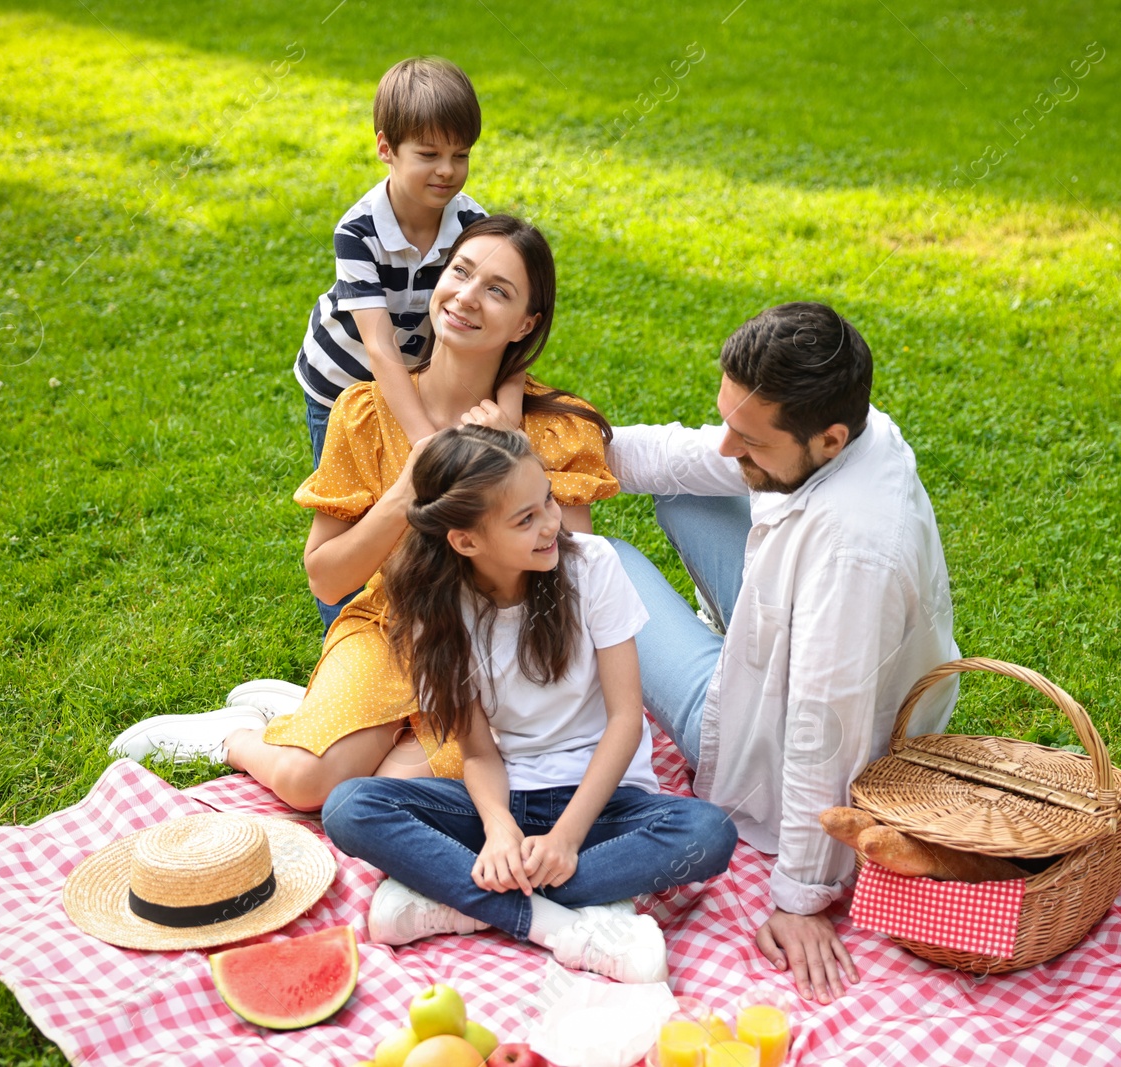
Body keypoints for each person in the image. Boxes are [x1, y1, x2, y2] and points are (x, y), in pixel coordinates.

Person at [110, 216, 620, 809]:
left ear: (526, 323)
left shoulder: (556, 430)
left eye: (499, 291)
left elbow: (570, 576)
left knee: (382, 795)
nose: (467, 297)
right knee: (308, 786)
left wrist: (515, 461)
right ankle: (238, 737)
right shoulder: (365, 413)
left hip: (497, 652)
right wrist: (408, 490)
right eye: (461, 272)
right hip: (389, 627)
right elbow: (327, 576)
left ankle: (308, 714)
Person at [605, 301, 960, 1004]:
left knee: (598, 562)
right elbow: (703, 452)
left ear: (827, 440)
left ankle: (701, 658)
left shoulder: (856, 557)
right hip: (793, 635)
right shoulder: (855, 426)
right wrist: (552, 445)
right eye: (729, 421)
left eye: (752, 440)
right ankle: (718, 629)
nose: (730, 448)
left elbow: (823, 732)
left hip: (765, 727)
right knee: (684, 489)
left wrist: (800, 897)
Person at [323, 425, 737, 984]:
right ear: (466, 541)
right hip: (510, 803)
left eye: (547, 499)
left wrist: (566, 839)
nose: (552, 523)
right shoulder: (434, 613)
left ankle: (462, 901)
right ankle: (548, 921)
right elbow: (477, 754)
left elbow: (624, 721)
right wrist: (497, 830)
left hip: (606, 808)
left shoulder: (591, 565)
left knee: (708, 834)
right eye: (526, 519)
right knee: (349, 807)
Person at [291, 56, 526, 631]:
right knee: (355, 507)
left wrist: (511, 417)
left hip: (414, 370)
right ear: (385, 149)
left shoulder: (473, 223)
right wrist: (428, 441)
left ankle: (423, 615)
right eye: (428, 154)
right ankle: (342, 632)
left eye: (461, 154)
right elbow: (378, 349)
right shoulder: (359, 231)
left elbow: (515, 333)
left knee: (418, 503)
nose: (448, 171)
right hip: (343, 382)